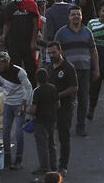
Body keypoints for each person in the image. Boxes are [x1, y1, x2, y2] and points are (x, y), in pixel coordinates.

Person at [53, 5, 98, 137]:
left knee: (83, 99)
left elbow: (93, 51)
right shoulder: (61, 33)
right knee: (67, 99)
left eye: (78, 14)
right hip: (67, 71)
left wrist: (96, 68)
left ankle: (81, 126)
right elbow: (55, 52)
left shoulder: (87, 32)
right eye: (73, 14)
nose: (76, 16)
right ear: (68, 17)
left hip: (84, 70)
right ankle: (64, 124)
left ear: (82, 16)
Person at [0, 50, 32, 171]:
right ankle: (7, 157)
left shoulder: (19, 72)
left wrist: (23, 104)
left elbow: (29, 88)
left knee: (18, 132)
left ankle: (18, 159)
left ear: (7, 62)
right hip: (7, 103)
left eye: (0, 63)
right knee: (5, 131)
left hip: (19, 104)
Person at [45, 41, 77, 175]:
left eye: (54, 52)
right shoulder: (49, 68)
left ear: (60, 51)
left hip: (65, 107)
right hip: (50, 109)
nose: (52, 55)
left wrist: (57, 96)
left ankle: (63, 165)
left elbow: (74, 87)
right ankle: (50, 165)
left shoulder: (68, 67)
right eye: (50, 53)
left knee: (64, 137)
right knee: (49, 137)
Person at [27, 67, 58, 175]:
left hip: (40, 121)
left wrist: (27, 111)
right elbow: (58, 104)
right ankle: (54, 166)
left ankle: (44, 167)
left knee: (42, 145)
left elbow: (33, 109)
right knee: (51, 144)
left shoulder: (37, 91)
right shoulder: (53, 88)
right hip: (52, 120)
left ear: (37, 79)